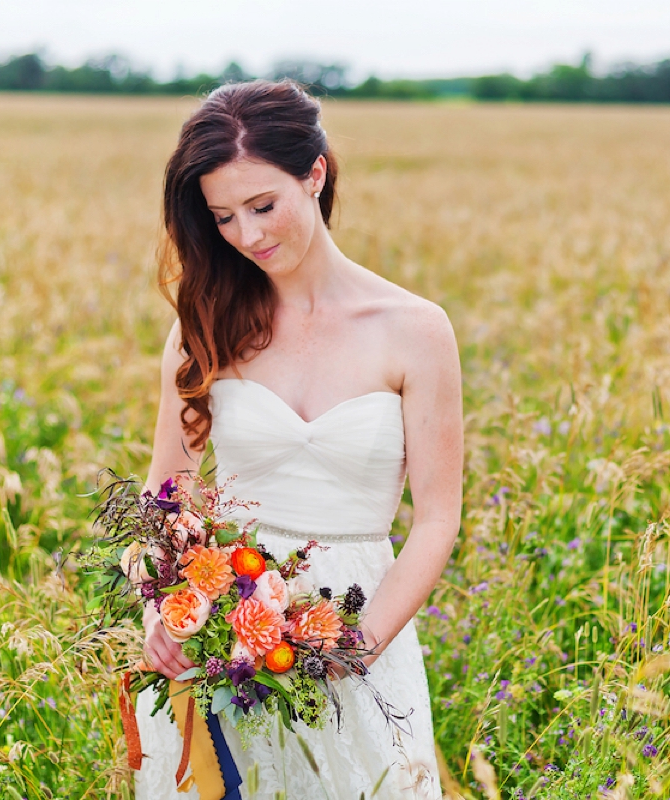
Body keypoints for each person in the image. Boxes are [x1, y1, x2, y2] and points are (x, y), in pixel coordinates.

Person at [132, 79, 462, 800]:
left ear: (314, 174)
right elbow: (169, 494)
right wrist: (163, 607)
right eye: (222, 217)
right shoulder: (205, 326)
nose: (247, 236)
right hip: (223, 646)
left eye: (262, 205)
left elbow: (437, 517)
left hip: (358, 630)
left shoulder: (416, 330)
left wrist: (357, 647)